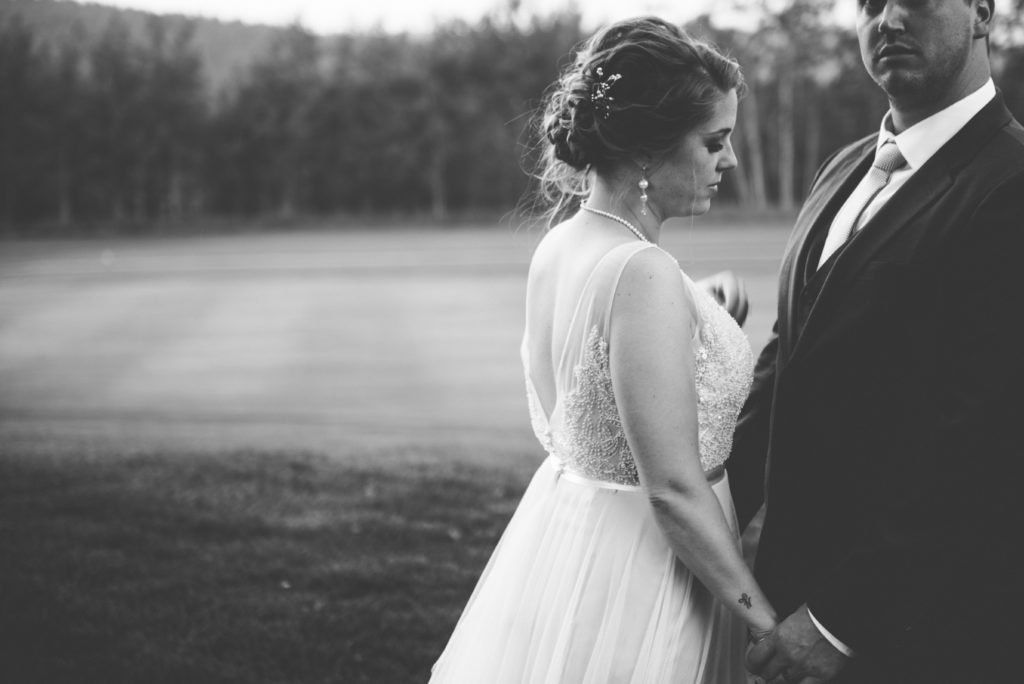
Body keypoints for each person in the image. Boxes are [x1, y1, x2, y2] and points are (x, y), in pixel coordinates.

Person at [430, 16, 776, 683]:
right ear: (648, 150)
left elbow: (599, 361)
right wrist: (762, 617)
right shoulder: (641, 273)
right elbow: (674, 489)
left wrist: (696, 309)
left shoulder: (561, 244)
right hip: (645, 578)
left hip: (574, 545)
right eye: (713, 142)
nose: (727, 161)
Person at [728, 0, 1024, 682]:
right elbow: (788, 361)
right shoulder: (844, 168)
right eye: (867, 3)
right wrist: (710, 514)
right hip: (786, 596)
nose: (887, 18)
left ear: (981, 12)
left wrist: (840, 618)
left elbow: (983, 442)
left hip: (920, 634)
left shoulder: (1011, 185)